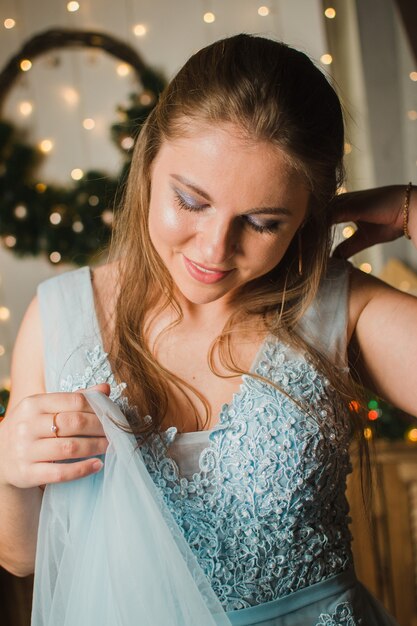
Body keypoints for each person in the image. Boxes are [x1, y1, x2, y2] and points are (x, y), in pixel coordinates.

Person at [0, 33, 415, 626]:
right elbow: (22, 558)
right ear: (148, 164)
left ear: (308, 215)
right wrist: (8, 469)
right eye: (191, 202)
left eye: (263, 222)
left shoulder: (341, 309)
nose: (215, 249)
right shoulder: (58, 318)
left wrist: (411, 211)